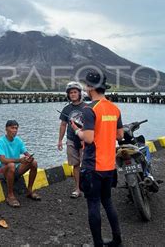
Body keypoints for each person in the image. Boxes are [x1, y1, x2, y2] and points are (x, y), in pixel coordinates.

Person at [70, 71, 124, 247]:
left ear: (91, 88)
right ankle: (117, 240)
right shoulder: (114, 109)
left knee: (93, 204)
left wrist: (77, 130)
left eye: (86, 86)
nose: (85, 89)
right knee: (107, 202)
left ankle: (98, 244)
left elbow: (89, 138)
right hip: (109, 166)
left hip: (93, 166)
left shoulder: (89, 109)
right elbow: (120, 136)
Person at [0, 120, 41, 207]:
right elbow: (3, 160)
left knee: (34, 163)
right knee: (11, 165)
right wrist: (19, 160)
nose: (15, 130)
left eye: (16, 128)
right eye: (12, 128)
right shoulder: (0, 141)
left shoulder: (18, 140)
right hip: (1, 170)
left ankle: (29, 190)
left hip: (13, 169)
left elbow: (26, 153)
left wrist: (29, 158)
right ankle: (10, 196)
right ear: (6, 129)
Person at [58, 81, 86, 198]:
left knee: (86, 165)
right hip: (71, 140)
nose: (73, 94)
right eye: (70, 93)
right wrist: (59, 140)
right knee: (75, 165)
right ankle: (77, 188)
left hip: (84, 139)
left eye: (75, 92)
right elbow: (63, 125)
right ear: (68, 95)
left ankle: (89, 187)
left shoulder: (86, 107)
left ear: (80, 93)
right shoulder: (66, 109)